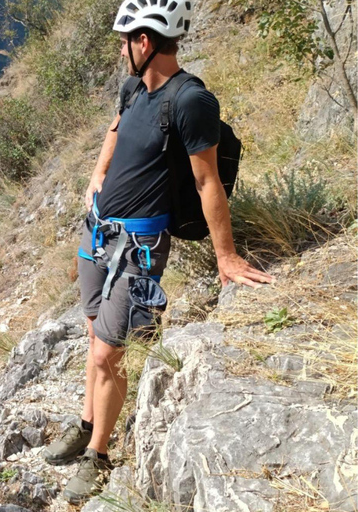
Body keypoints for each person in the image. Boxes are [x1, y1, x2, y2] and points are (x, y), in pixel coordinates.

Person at [40, 0, 274, 504]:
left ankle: (98, 456)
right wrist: (96, 175)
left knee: (108, 352)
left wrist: (226, 257)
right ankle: (86, 422)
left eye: (124, 41)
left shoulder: (190, 101)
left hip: (139, 248)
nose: (120, 50)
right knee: (92, 335)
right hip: (98, 235)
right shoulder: (134, 88)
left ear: (144, 43)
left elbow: (207, 181)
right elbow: (116, 130)